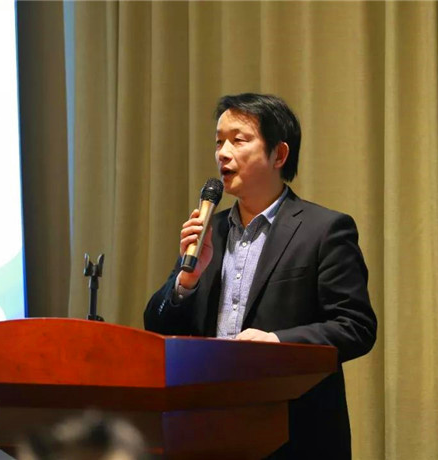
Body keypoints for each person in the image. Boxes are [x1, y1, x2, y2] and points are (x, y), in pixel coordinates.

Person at [144, 93, 377, 459]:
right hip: (207, 431)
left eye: (238, 140)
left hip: (295, 436)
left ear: (279, 155)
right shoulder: (210, 231)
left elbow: (356, 327)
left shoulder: (324, 230)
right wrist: (186, 283)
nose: (223, 153)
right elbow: (156, 327)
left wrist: (277, 342)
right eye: (218, 142)